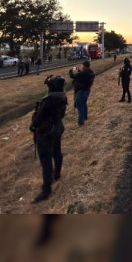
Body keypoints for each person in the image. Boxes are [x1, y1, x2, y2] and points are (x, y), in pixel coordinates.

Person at [29, 75, 68, 203]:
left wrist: (33, 125)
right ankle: (57, 174)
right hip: (57, 128)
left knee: (46, 162)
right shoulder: (62, 96)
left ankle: (46, 190)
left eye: (49, 86)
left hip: (46, 132)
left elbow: (39, 117)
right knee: (57, 152)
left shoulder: (50, 100)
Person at [69, 60, 95, 126]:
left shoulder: (83, 73)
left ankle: (80, 122)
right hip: (86, 90)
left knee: (80, 106)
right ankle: (85, 117)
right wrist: (79, 71)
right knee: (83, 104)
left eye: (83, 65)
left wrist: (70, 71)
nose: (82, 66)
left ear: (85, 66)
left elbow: (72, 76)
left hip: (81, 91)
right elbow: (83, 75)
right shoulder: (90, 72)